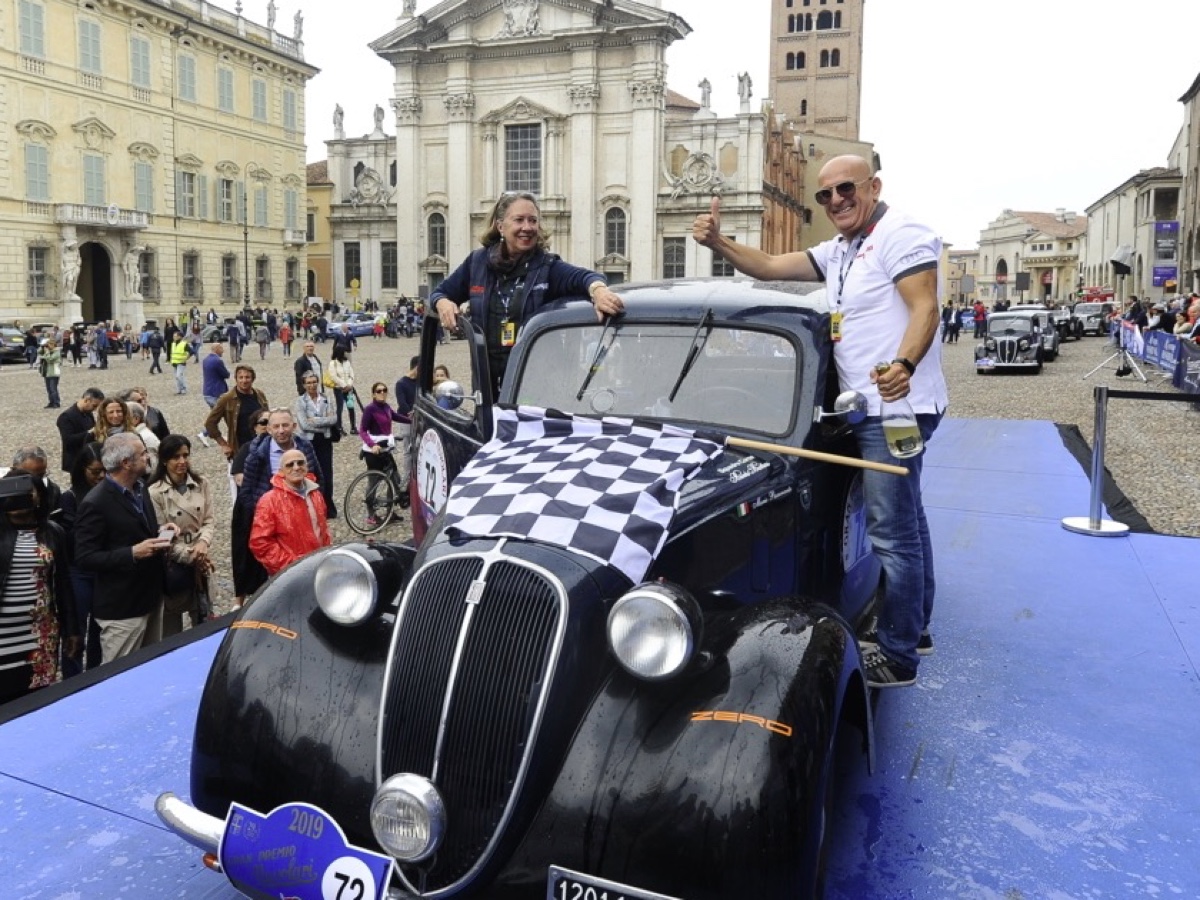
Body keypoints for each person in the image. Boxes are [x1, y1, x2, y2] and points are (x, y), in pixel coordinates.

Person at [692, 154, 947, 689]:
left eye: (846, 188)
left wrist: (903, 365)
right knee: (909, 519)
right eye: (824, 194)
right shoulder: (840, 250)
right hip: (869, 406)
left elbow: (925, 306)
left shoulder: (901, 234)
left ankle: (898, 654)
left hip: (893, 409)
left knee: (891, 531)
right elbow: (767, 265)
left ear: (874, 186)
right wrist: (717, 242)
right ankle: (916, 628)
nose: (836, 200)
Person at [432, 191, 623, 400]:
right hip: (487, 384)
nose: (527, 227)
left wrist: (598, 291)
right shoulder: (477, 263)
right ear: (500, 226)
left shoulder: (547, 266)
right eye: (519, 220)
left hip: (535, 385)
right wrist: (442, 302)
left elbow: (585, 277)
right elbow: (439, 293)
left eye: (533, 220)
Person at [74, 433, 175, 664]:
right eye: (143, 453)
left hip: (150, 597)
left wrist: (160, 532)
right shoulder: (95, 503)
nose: (148, 457)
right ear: (126, 463)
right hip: (122, 610)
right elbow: (85, 557)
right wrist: (132, 553)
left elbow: (134, 531)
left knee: (150, 668)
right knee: (120, 674)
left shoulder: (140, 487)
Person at [0, 472, 78, 705]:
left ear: (38, 496)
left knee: (35, 701)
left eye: (27, 491)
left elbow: (64, 583)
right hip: (3, 634)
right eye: (11, 491)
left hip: (39, 635)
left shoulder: (53, 532)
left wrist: (72, 629)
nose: (19, 497)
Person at [148, 436, 215, 635]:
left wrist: (203, 544)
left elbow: (209, 520)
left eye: (185, 455)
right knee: (171, 629)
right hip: (174, 562)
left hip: (201, 557)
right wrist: (191, 555)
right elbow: (161, 534)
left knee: (204, 620)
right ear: (164, 460)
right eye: (176, 457)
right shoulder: (155, 493)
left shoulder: (202, 483)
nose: (182, 461)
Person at [58, 442, 105, 675]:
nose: (100, 476)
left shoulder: (110, 493)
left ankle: (95, 676)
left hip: (103, 568)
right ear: (82, 470)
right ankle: (72, 680)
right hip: (79, 571)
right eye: (95, 472)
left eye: (104, 471)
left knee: (100, 630)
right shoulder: (69, 498)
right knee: (75, 632)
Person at [248, 449, 330, 576]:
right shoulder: (269, 501)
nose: (296, 467)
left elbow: (323, 530)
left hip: (319, 566)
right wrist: (292, 566)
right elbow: (260, 543)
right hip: (290, 574)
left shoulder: (316, 494)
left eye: (300, 463)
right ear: (281, 471)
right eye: (290, 465)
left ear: (307, 466)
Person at [358, 382, 410, 517]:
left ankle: (390, 512)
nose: (382, 393)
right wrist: (372, 445)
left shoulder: (386, 406)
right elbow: (362, 430)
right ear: (373, 394)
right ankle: (371, 514)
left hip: (385, 449)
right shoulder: (370, 409)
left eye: (384, 390)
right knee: (373, 482)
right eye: (379, 391)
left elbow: (395, 416)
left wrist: (411, 420)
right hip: (373, 452)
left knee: (395, 479)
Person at [294, 372, 339, 519]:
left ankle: (328, 505)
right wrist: (324, 424)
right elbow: (304, 425)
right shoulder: (300, 401)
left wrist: (316, 420)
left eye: (314, 382)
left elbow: (334, 419)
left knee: (327, 473)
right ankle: (313, 505)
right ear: (304, 385)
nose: (312, 385)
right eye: (308, 383)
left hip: (325, 441)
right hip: (309, 442)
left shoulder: (326, 398)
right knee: (311, 473)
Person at [205, 365, 268, 462]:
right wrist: (223, 444)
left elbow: (268, 418)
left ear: (253, 379)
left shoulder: (259, 394)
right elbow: (210, 423)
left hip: (262, 444)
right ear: (236, 379)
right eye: (241, 377)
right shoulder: (227, 398)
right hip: (240, 447)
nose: (244, 381)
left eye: (247, 377)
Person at [56, 387, 104, 473]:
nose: (95, 409)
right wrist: (89, 433)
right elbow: (68, 440)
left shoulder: (88, 413)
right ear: (86, 400)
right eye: (94, 405)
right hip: (75, 459)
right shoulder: (66, 417)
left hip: (88, 456)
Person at [200, 343, 230, 448]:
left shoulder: (205, 360)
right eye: (221, 348)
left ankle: (205, 433)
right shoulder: (218, 361)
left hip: (207, 392)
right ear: (217, 349)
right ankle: (204, 433)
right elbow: (226, 374)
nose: (223, 351)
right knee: (226, 414)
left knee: (214, 416)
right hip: (216, 392)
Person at [328, 345, 358, 433]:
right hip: (339, 389)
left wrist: (349, 384)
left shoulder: (347, 362)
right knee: (340, 408)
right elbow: (333, 377)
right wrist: (344, 385)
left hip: (349, 389)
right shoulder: (333, 363)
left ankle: (353, 427)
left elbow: (351, 374)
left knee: (351, 407)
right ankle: (339, 427)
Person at [126, 401, 160, 470]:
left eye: (125, 417)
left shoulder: (145, 437)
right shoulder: (138, 434)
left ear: (136, 419)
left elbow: (153, 466)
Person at [38, 338, 63, 409]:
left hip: (54, 373)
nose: (48, 346)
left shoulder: (56, 352)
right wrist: (42, 346)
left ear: (53, 345)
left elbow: (50, 359)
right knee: (48, 389)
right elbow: (39, 352)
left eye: (49, 345)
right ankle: (51, 402)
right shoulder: (48, 351)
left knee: (53, 389)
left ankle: (56, 403)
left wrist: (47, 353)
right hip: (47, 373)